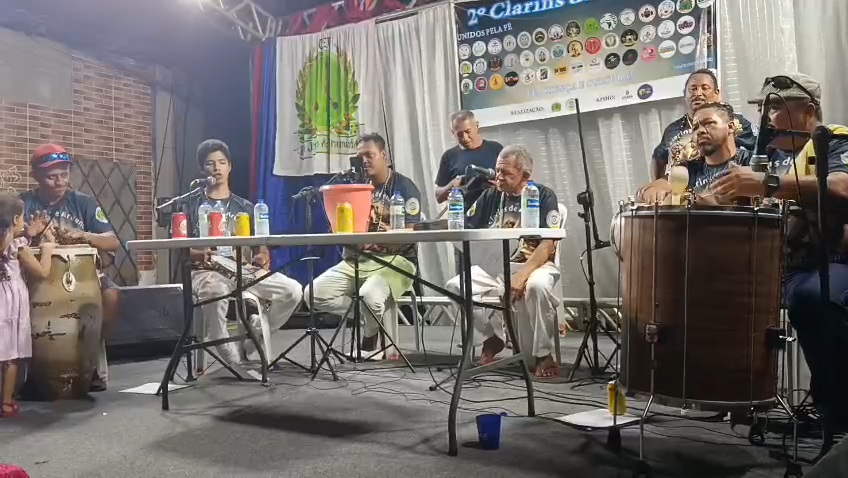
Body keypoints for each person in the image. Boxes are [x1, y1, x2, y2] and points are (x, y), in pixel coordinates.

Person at [710, 73, 848, 426]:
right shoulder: (769, 155)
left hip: (828, 262)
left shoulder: (834, 140)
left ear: (808, 111)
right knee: (717, 290)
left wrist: (767, 183)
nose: (766, 117)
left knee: (810, 296)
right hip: (779, 267)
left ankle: (834, 408)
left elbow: (841, 186)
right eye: (763, 108)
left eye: (774, 107)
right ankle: (734, 393)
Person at [445, 145, 563, 378]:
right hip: (496, 265)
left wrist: (522, 275)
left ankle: (544, 354)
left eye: (505, 173)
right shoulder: (491, 195)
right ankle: (490, 338)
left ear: (525, 175)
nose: (498, 176)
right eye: (497, 170)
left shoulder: (543, 195)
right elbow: (466, 227)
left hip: (533, 264)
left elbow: (548, 244)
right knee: (455, 287)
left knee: (538, 287)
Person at [186, 139, 303, 366]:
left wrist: (263, 256)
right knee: (213, 291)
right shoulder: (191, 205)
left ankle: (255, 335)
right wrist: (197, 254)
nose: (217, 168)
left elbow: (261, 246)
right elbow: (179, 248)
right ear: (202, 169)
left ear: (230, 166)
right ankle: (225, 348)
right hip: (206, 270)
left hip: (242, 269)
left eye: (222, 162)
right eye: (210, 163)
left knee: (293, 291)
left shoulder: (246, 207)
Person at [306, 133, 422, 353]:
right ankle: (372, 319)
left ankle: (370, 336)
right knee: (313, 294)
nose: (364, 161)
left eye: (370, 155)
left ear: (383, 155)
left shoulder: (404, 186)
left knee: (369, 294)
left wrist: (381, 237)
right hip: (358, 260)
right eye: (360, 157)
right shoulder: (355, 187)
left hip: (397, 261)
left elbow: (413, 230)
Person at [20, 144, 120, 392]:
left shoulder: (83, 202)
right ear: (35, 176)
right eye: (51, 176)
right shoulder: (23, 204)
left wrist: (84, 236)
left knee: (111, 295)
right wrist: (28, 234)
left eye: (64, 174)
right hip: (33, 275)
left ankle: (89, 355)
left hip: (80, 275)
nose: (59, 182)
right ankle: (28, 370)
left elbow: (113, 242)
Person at [637, 102, 785, 204]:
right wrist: (651, 190)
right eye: (695, 128)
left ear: (731, 127)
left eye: (708, 123)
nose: (700, 131)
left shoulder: (754, 162)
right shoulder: (690, 169)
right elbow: (662, 186)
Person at [1, 195, 55, 417]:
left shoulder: (7, 242)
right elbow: (41, 272)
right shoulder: (18, 247)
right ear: (15, 219)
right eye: (22, 218)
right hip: (11, 302)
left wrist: (28, 234)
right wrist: (48, 249)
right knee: (10, 354)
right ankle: (6, 403)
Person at [651, 69, 756, 180]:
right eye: (693, 89)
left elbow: (760, 149)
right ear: (684, 95)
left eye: (705, 88)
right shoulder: (672, 129)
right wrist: (659, 182)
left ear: (716, 93)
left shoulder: (732, 121)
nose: (698, 94)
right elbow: (658, 158)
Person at [435, 110, 503, 209]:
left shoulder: (496, 149)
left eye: (468, 131)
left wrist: (498, 186)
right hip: (462, 214)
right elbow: (438, 197)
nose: (465, 138)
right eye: (459, 134)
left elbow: (514, 183)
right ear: (453, 132)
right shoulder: (449, 156)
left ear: (477, 126)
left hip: (493, 211)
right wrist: (452, 185)